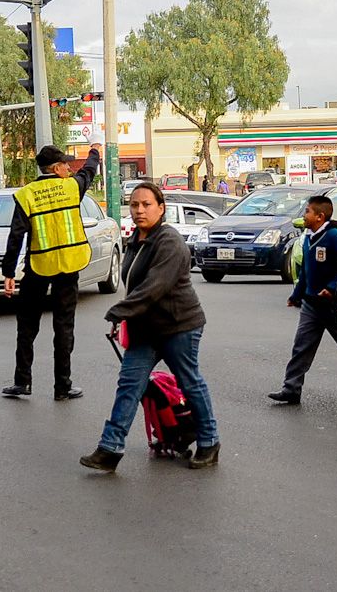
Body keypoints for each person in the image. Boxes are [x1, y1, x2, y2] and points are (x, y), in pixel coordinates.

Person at [81, 182, 220, 472]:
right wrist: (126, 317)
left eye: (146, 204)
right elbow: (134, 286)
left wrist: (120, 311)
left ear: (161, 208)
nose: (139, 210)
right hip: (145, 328)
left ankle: (209, 442)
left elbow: (155, 287)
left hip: (178, 326)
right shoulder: (136, 239)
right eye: (134, 205)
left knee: (190, 382)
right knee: (129, 385)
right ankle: (110, 448)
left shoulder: (169, 241)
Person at [1, 143, 101, 400]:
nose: (69, 168)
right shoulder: (72, 187)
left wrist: (8, 272)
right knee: (64, 327)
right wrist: (94, 151)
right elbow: (89, 171)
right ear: (56, 168)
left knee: (27, 326)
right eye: (65, 164)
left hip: (38, 267)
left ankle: (22, 382)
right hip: (68, 266)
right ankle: (62, 387)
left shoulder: (27, 194)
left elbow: (16, 235)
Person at [268, 195, 337, 404]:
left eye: (307, 212)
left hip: (333, 305)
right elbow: (305, 270)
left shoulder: (333, 237)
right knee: (301, 346)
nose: (304, 216)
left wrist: (331, 288)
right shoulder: (308, 237)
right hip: (311, 304)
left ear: (320, 216)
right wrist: (296, 295)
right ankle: (291, 388)